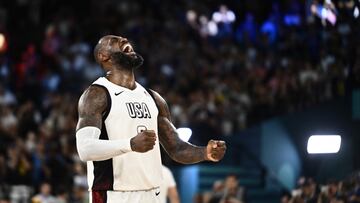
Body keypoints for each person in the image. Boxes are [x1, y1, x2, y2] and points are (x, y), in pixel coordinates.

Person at [75, 35, 227, 203]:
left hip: (152, 194)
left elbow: (176, 148)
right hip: (113, 194)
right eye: (114, 40)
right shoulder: (97, 94)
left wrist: (204, 152)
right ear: (103, 56)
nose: (124, 39)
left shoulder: (153, 98)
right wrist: (130, 144)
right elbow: (85, 149)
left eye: (123, 38)